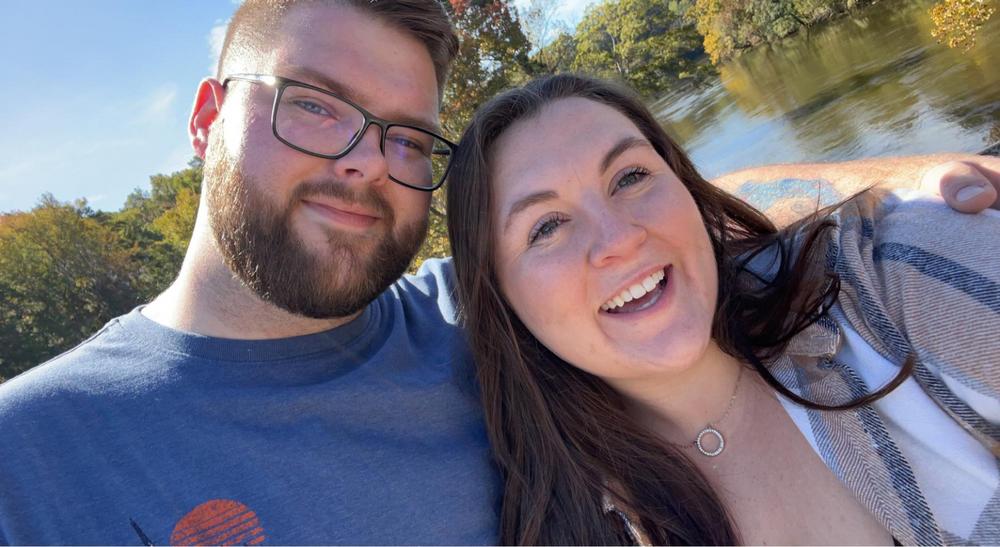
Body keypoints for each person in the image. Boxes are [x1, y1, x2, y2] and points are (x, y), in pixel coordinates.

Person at [0, 0, 995, 543]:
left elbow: (649, 221)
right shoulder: (32, 454)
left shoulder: (458, 318)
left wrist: (899, 182)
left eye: (404, 136)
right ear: (208, 117)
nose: (363, 160)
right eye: (313, 104)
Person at [445, 73, 999, 545]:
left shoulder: (890, 279)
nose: (619, 238)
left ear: (686, 187)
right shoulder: (577, 528)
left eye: (631, 176)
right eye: (546, 227)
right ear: (501, 302)